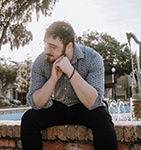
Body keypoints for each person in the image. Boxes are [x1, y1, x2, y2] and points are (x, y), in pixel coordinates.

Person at [21, 20, 118, 150]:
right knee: (28, 119)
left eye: (53, 47)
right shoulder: (41, 61)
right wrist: (53, 79)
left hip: (84, 107)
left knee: (102, 119)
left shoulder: (93, 58)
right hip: (59, 106)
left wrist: (71, 72)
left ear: (69, 47)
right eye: (46, 45)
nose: (47, 51)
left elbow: (93, 102)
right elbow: (35, 103)